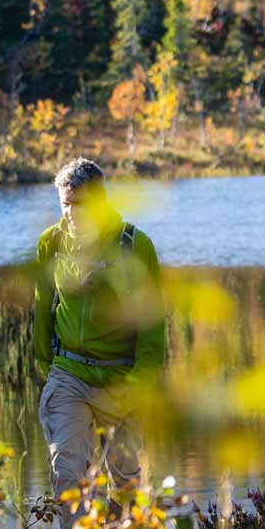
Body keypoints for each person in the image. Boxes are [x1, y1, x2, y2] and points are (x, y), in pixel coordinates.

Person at [32, 158, 165, 492]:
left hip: (121, 377)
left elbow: (151, 323)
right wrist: (46, 362)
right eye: (66, 204)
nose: (72, 213)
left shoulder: (133, 245)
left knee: (125, 482)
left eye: (81, 204)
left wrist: (140, 382)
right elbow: (42, 307)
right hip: (69, 374)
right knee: (67, 475)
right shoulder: (52, 242)